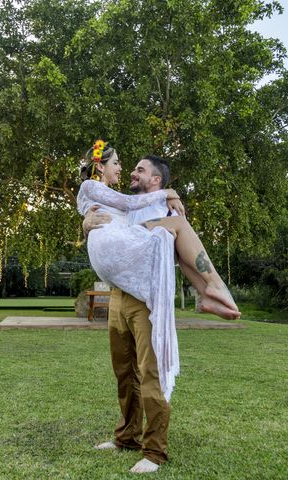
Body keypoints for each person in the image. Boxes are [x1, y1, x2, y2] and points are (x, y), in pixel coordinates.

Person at [78, 140, 239, 474]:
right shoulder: (131, 205)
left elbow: (180, 250)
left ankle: (154, 451)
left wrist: (171, 195)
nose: (131, 173)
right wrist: (84, 224)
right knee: (125, 373)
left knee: (150, 375)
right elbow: (101, 217)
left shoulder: (166, 210)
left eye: (139, 169)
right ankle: (126, 437)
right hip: (120, 295)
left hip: (147, 301)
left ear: (156, 181)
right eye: (128, 166)